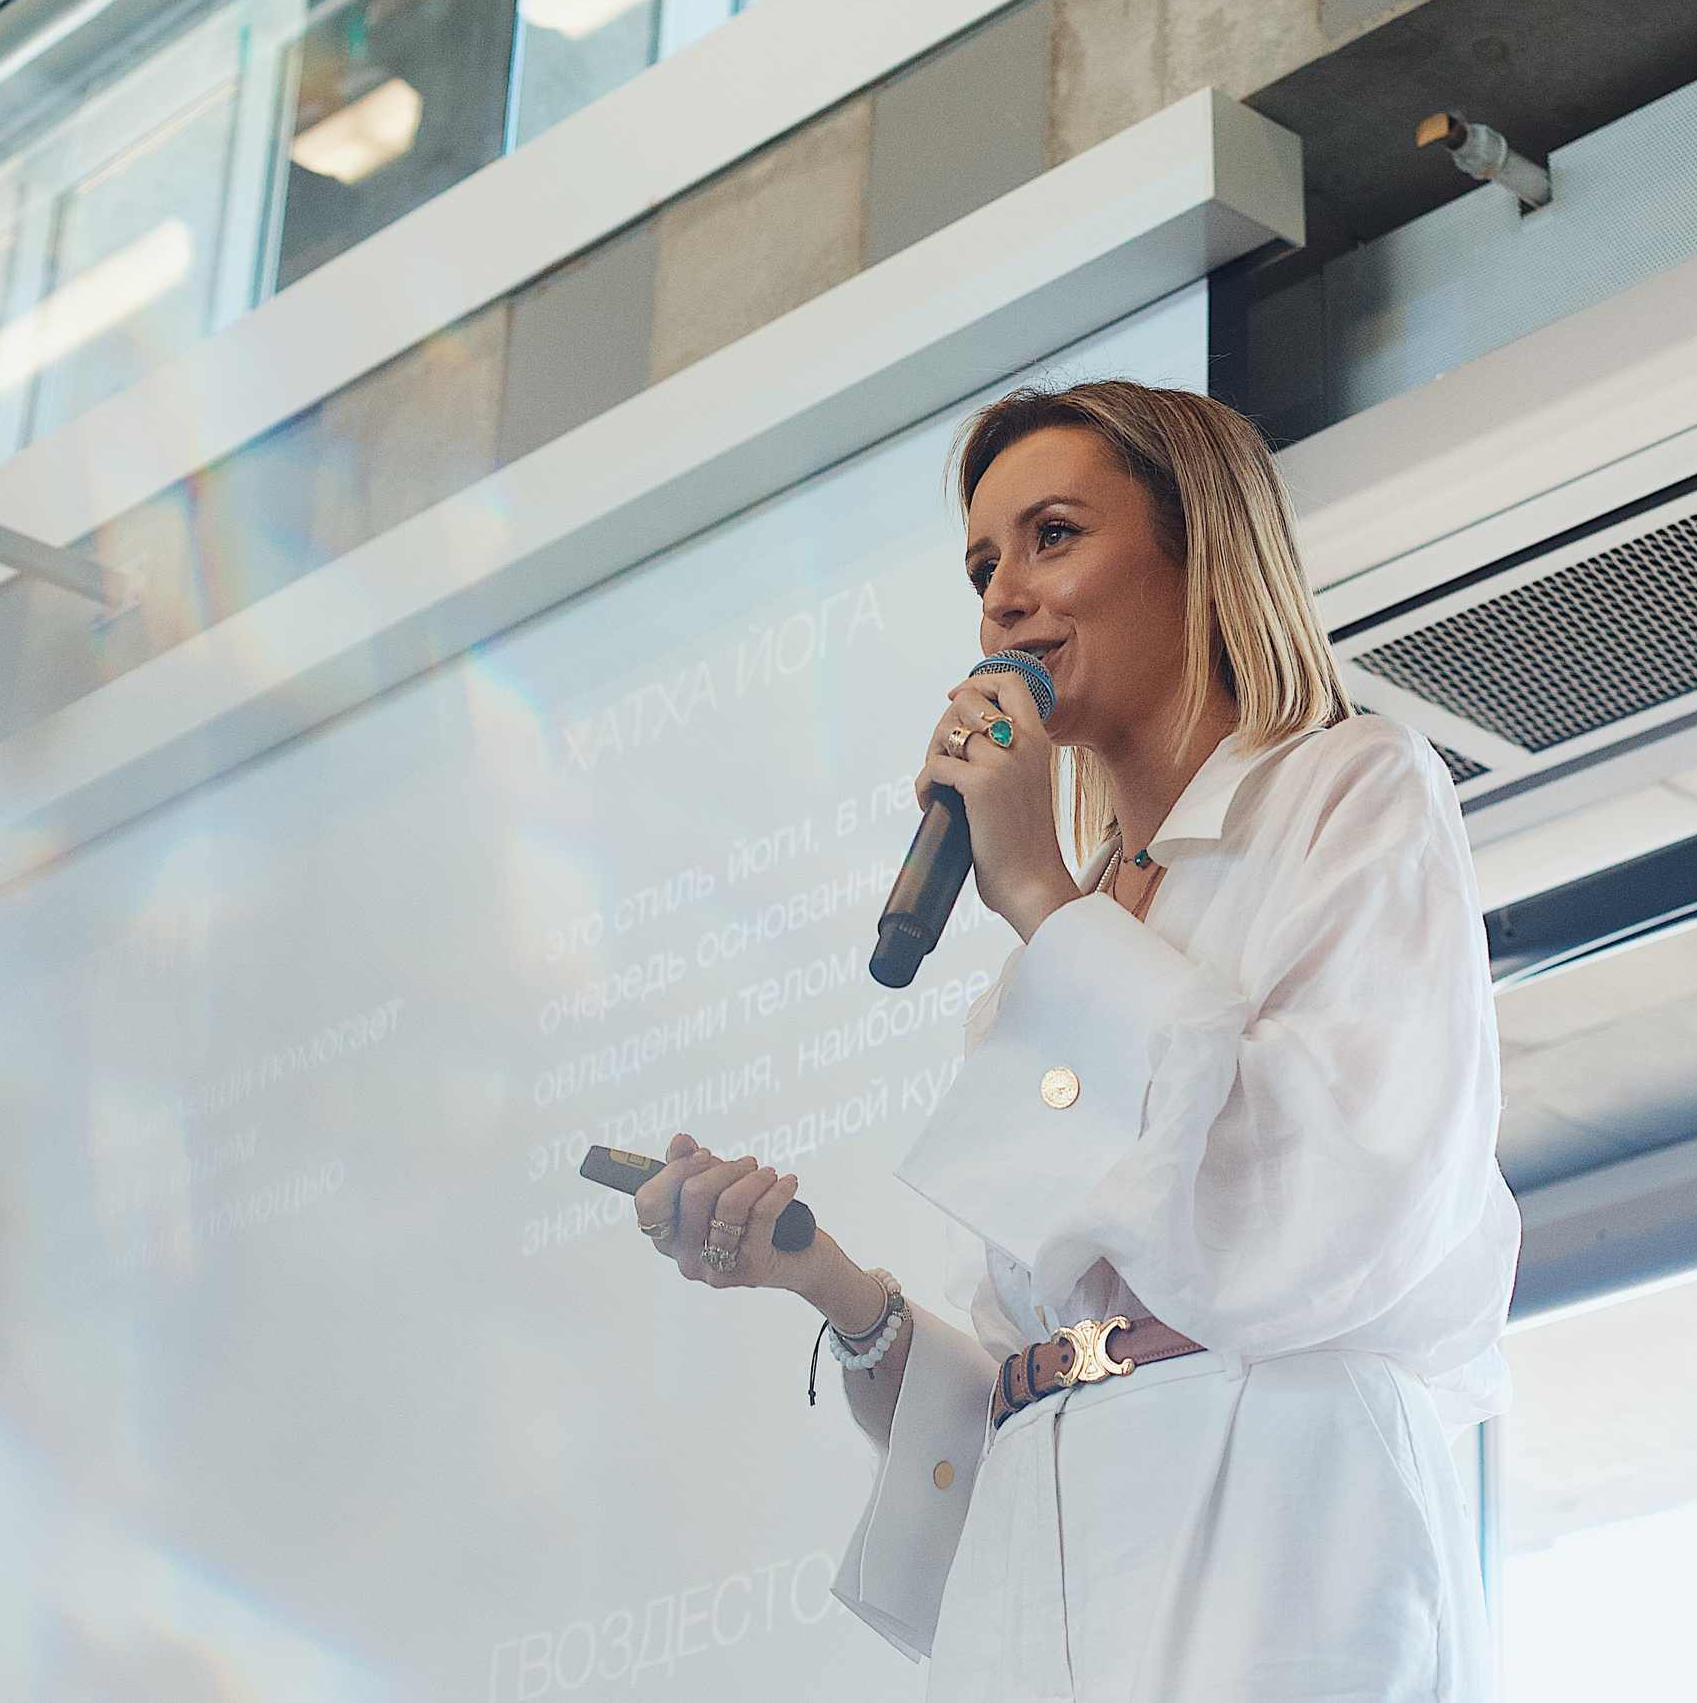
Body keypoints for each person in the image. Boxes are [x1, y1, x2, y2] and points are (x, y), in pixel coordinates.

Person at [631, 379, 1518, 1701]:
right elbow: (1024, 1360)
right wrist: (817, 1277)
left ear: (1197, 551)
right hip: (1042, 1581)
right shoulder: (1049, 957)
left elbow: (1325, 1202)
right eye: (984, 564)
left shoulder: (1355, 793)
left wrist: (1042, 897)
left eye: (1052, 535)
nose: (1002, 597)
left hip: (1275, 1532)